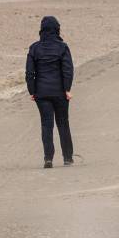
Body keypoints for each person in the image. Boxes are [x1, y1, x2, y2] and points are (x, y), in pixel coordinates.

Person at [26, 16, 75, 168]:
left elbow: (29, 73)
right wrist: (67, 89)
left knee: (46, 125)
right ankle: (67, 157)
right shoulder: (62, 47)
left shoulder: (34, 48)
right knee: (63, 123)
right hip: (59, 92)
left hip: (42, 93)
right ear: (57, 29)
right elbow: (68, 70)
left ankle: (48, 158)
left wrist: (32, 91)